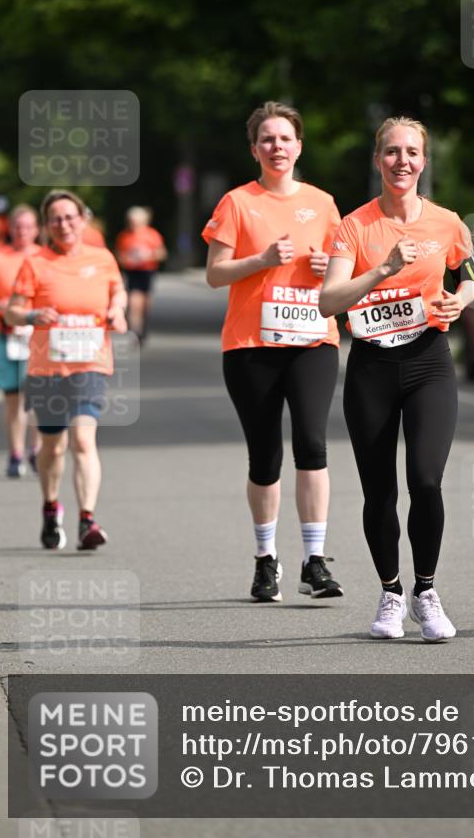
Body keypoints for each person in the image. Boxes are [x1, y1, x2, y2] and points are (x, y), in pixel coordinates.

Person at [319, 116, 474, 641]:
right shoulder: (353, 226)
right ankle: (391, 592)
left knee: (427, 479)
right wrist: (384, 269)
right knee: (379, 492)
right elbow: (328, 300)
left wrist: (458, 301)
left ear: (424, 160)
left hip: (429, 362)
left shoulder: (446, 222)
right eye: (392, 152)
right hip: (371, 365)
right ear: (378, 160)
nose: (402, 161)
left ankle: (426, 592)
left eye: (412, 152)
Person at [203, 101, 343, 603]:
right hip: (251, 345)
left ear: (299, 146)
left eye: (285, 138)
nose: (277, 146)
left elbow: (345, 270)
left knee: (312, 444)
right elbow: (215, 273)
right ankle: (266, 560)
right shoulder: (238, 203)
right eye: (267, 139)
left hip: (312, 339)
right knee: (265, 456)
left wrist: (331, 266)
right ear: (254, 149)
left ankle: (316, 561)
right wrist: (261, 259)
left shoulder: (323, 203)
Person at [5, 189, 128, 551]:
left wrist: (117, 310)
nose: (64, 224)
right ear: (47, 226)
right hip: (47, 367)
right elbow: (12, 311)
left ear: (82, 219)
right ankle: (50, 506)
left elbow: (117, 292)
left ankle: (87, 519)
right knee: (52, 447)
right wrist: (30, 315)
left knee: (83, 440)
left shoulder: (102, 258)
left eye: (70, 217)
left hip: (90, 363)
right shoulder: (35, 263)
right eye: (56, 219)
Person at [0, 204, 42, 475]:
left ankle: (37, 450)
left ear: (37, 230)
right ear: (10, 229)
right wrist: (5, 308)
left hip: (37, 336)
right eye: (17, 226)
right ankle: (15, 453)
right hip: (3, 334)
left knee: (36, 396)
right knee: (13, 397)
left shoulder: (45, 258)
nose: (22, 232)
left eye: (28, 226)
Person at [115, 206, 167, 341]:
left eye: (137, 221)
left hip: (147, 271)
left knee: (145, 302)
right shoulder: (124, 236)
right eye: (132, 221)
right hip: (132, 272)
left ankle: (143, 326)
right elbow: (120, 256)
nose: (134, 224)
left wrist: (148, 255)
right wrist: (128, 260)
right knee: (134, 301)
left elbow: (162, 254)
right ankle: (135, 330)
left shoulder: (152, 234)